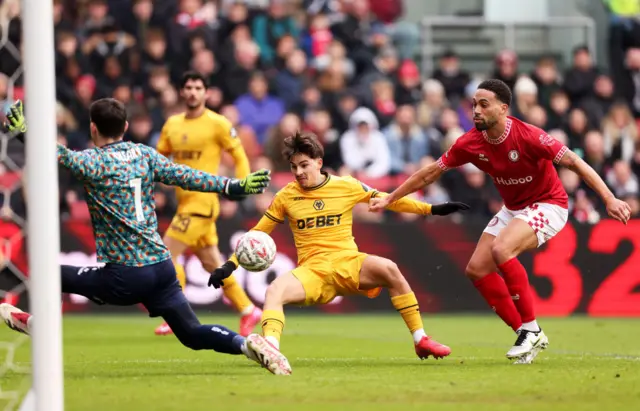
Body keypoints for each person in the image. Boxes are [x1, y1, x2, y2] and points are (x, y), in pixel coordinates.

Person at [0, 99, 291, 375]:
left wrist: (24, 133)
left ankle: (39, 325)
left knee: (46, 274)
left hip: (125, 277)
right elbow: (186, 175)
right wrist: (232, 186)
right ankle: (247, 344)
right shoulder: (144, 154)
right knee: (191, 333)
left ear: (92, 128)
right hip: (162, 269)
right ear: (125, 126)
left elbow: (55, 154)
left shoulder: (92, 162)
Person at [369, 79, 632, 364]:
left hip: (549, 204)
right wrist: (389, 199)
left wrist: (609, 198)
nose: (476, 111)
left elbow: (575, 163)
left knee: (501, 249)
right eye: (473, 105)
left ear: (503, 108)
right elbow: (430, 173)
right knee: (477, 269)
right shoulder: (470, 142)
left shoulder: (530, 136)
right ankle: (525, 333)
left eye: (484, 104)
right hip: (513, 208)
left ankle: (531, 328)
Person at [208, 131, 470, 373]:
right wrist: (229, 266)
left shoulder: (347, 186)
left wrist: (432, 209)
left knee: (390, 268)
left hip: (349, 264)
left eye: (304, 165)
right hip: (313, 272)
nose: (298, 172)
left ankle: (420, 339)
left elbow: (389, 199)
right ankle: (271, 350)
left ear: (319, 162)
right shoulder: (286, 196)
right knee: (274, 290)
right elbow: (258, 234)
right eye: (294, 167)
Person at [154, 71, 262, 337]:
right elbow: (157, 160)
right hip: (184, 203)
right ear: (182, 92)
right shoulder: (172, 125)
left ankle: (174, 314)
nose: (192, 92)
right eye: (188, 87)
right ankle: (248, 309)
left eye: (198, 87)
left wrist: (242, 186)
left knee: (166, 254)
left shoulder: (218, 123)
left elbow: (238, 154)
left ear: (206, 93)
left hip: (202, 203)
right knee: (212, 263)